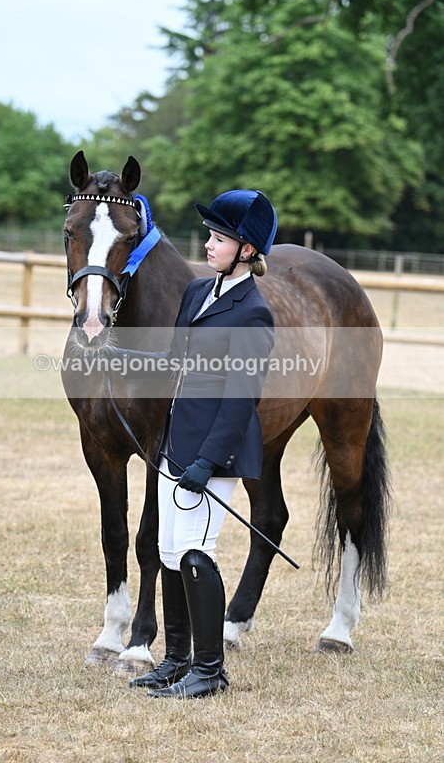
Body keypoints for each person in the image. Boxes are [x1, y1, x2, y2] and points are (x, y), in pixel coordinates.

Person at [126, 189, 277, 698]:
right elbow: (175, 362)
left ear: (248, 251)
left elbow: (240, 400)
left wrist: (208, 461)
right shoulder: (196, 293)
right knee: (170, 553)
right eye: (210, 237)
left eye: (219, 239)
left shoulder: (253, 313)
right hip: (177, 443)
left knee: (196, 553)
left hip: (215, 454)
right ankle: (176, 659)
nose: (208, 246)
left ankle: (210, 671)